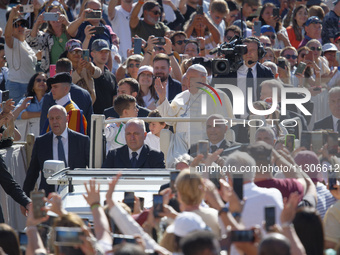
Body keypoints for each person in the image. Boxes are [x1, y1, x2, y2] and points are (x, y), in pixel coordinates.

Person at [155, 64, 234, 146]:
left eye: (192, 79)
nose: (188, 82)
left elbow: (224, 125)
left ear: (203, 79)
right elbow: (169, 120)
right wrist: (162, 98)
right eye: (187, 78)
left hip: (205, 145)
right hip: (180, 145)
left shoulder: (217, 95)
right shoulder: (182, 96)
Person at [23, 105, 90, 196]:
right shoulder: (41, 142)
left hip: (76, 195)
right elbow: (32, 173)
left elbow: (93, 169)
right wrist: (25, 200)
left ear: (67, 119)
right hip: (49, 198)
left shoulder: (82, 141)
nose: (54, 122)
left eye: (58, 118)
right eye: (51, 118)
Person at [39, 58, 93, 135]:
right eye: (52, 87)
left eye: (55, 87)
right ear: (71, 72)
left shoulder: (74, 111)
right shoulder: (85, 94)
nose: (52, 90)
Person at [222, 37, 274, 115]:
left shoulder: (266, 73)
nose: (248, 53)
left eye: (252, 50)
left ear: (259, 52)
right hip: (235, 120)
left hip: (259, 119)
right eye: (245, 50)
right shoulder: (229, 72)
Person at [4, 6, 37, 104]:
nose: (20, 27)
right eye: (16, 25)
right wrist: (11, 16)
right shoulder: (12, 41)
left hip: (30, 85)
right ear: (11, 28)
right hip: (17, 85)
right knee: (16, 116)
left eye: (22, 24)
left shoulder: (25, 43)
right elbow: (7, 35)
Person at [26, 4, 70, 73]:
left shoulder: (70, 33)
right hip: (52, 73)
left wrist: (67, 23)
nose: (56, 18)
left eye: (58, 15)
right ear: (48, 20)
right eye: (52, 16)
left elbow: (77, 34)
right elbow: (32, 42)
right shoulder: (46, 36)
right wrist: (37, 23)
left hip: (70, 71)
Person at [61, 39, 102, 103]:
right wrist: (78, 71)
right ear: (67, 54)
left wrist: (90, 67)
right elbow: (66, 83)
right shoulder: (63, 67)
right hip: (70, 102)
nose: (76, 54)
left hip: (87, 102)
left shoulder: (86, 64)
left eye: (79, 52)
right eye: (73, 52)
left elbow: (99, 73)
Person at [91, 39, 117, 114]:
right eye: (100, 52)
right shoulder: (87, 73)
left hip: (107, 120)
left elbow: (114, 100)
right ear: (93, 54)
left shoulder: (111, 76)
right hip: (91, 118)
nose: (104, 55)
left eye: (106, 52)